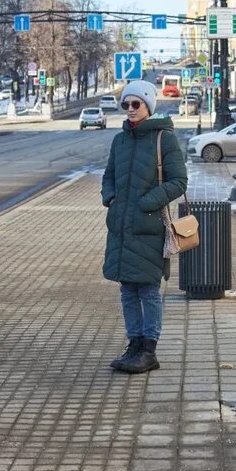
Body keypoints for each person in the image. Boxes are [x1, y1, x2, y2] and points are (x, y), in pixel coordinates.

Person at [101, 80, 187, 374]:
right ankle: (134, 344)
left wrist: (147, 202)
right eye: (125, 104)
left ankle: (149, 349)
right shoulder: (120, 140)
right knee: (127, 289)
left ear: (148, 106)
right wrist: (109, 197)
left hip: (149, 226)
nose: (130, 110)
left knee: (148, 290)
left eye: (136, 104)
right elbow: (108, 175)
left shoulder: (164, 139)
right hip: (121, 227)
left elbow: (179, 182)